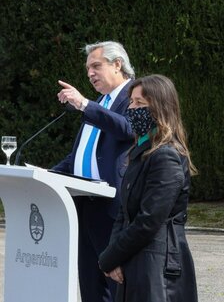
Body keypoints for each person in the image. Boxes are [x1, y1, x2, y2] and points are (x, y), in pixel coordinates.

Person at [98, 74, 198, 302]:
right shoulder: (141, 153)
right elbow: (125, 211)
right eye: (131, 102)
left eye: (139, 103)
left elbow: (149, 220)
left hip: (157, 264)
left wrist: (110, 257)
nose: (131, 108)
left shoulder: (166, 156)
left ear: (160, 108)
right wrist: (114, 257)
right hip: (136, 260)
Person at [53, 41, 135, 302]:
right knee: (90, 288)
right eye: (88, 68)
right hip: (84, 208)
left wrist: (85, 105)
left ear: (118, 64)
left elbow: (128, 129)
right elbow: (81, 155)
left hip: (112, 208)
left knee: (117, 288)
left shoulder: (136, 94)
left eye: (96, 66)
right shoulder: (100, 102)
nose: (90, 73)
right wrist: (43, 175)